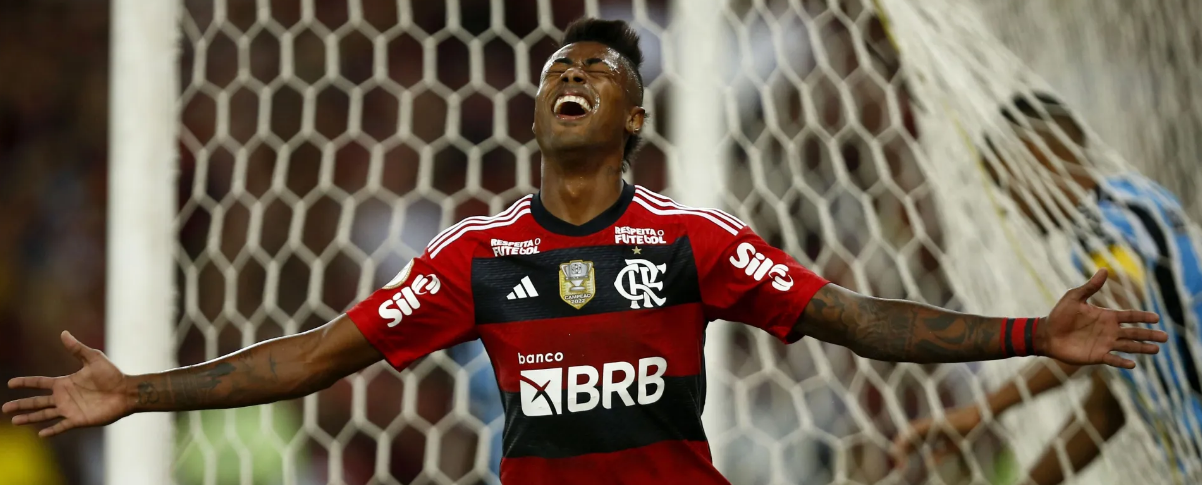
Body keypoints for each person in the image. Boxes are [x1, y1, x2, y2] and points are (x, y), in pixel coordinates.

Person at [3, 20, 1167, 485]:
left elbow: (856, 318)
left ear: (633, 118)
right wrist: (140, 390)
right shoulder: (475, 255)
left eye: (597, 71)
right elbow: (313, 355)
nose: (569, 77)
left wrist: (1032, 331)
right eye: (557, 68)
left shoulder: (692, 240)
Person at [892, 92, 1202, 484]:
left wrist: (982, 411)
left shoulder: (1101, 223)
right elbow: (1104, 409)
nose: (1009, 207)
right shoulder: (1140, 200)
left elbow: (1097, 327)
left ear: (1037, 157)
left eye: (1005, 184)